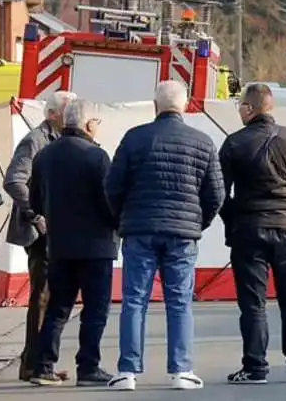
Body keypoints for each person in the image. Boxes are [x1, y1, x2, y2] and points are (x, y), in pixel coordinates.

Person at [105, 80, 224, 391]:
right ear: (184, 105)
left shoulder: (134, 138)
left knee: (134, 300)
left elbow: (113, 186)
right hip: (183, 235)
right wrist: (198, 223)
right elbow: (216, 194)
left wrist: (123, 219)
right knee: (180, 302)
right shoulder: (203, 142)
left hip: (139, 230)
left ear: (155, 105)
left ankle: (127, 372)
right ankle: (181, 371)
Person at [219, 83, 286, 385]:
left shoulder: (234, 143)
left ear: (249, 109)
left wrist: (235, 219)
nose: (239, 110)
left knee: (253, 303)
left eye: (240, 106)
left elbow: (219, 191)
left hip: (249, 231)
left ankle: (255, 368)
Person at [28, 100, 116, 386]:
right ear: (89, 124)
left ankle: (43, 366)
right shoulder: (97, 157)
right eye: (97, 123)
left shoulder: (44, 156)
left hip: (60, 245)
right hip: (96, 246)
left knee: (58, 308)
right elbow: (110, 201)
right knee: (95, 309)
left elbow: (35, 202)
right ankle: (88, 367)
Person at [3, 90, 76, 382]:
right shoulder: (36, 140)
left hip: (54, 231)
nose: (72, 118)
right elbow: (13, 180)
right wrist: (36, 214)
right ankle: (33, 365)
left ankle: (39, 361)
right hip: (38, 233)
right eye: (68, 111)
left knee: (51, 295)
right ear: (53, 114)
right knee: (43, 297)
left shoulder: (57, 140)